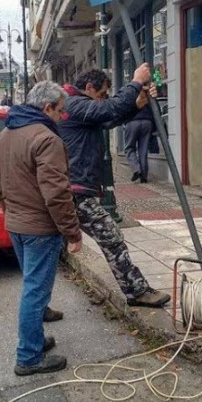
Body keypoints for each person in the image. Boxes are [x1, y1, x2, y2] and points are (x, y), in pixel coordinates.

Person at [60, 65, 171, 308]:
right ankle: (136, 291)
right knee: (112, 238)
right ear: (88, 88)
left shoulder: (77, 106)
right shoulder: (72, 103)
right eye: (101, 94)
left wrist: (138, 103)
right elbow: (108, 109)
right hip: (74, 191)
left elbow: (108, 119)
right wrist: (135, 82)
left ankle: (37, 306)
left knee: (48, 253)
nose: (103, 99)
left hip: (73, 189)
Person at [0, 81, 83, 376]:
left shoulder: (6, 134)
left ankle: (34, 340)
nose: (63, 117)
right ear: (47, 108)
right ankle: (28, 357)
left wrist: (12, 215)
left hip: (17, 224)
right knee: (35, 291)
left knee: (33, 287)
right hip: (39, 229)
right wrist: (72, 232)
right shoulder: (46, 138)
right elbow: (57, 192)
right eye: (60, 111)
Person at [123, 104, 154, 183]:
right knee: (143, 151)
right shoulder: (147, 92)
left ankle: (136, 169)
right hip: (147, 122)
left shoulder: (128, 92)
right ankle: (143, 176)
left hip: (132, 121)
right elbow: (154, 108)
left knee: (129, 148)